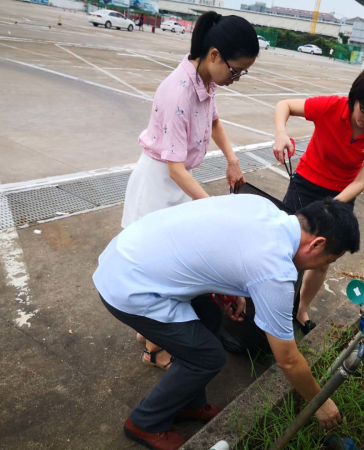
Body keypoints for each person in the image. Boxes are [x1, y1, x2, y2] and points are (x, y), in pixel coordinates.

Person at [93, 194, 361, 449]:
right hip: (128, 284)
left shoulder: (262, 208)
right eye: (327, 260)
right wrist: (321, 402)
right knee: (206, 358)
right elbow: (288, 360)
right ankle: (145, 423)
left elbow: (214, 242)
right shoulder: (275, 271)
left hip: (129, 250)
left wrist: (228, 286)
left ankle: (189, 403)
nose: (318, 267)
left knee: (210, 316)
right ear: (317, 244)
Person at [121, 11, 259, 370]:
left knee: (167, 265)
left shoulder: (205, 82)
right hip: (159, 185)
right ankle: (154, 349)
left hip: (178, 182)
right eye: (236, 71)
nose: (236, 79)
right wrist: (212, 209)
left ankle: (146, 334)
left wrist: (232, 159)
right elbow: (174, 168)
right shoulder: (177, 91)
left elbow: (214, 121)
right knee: (160, 271)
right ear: (214, 55)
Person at [272, 65, 364, 334]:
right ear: (354, 98)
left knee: (322, 258)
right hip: (305, 184)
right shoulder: (331, 107)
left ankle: (301, 309)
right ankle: (273, 302)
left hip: (342, 196)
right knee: (286, 246)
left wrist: (332, 206)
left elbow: (361, 181)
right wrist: (280, 133)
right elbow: (284, 105)